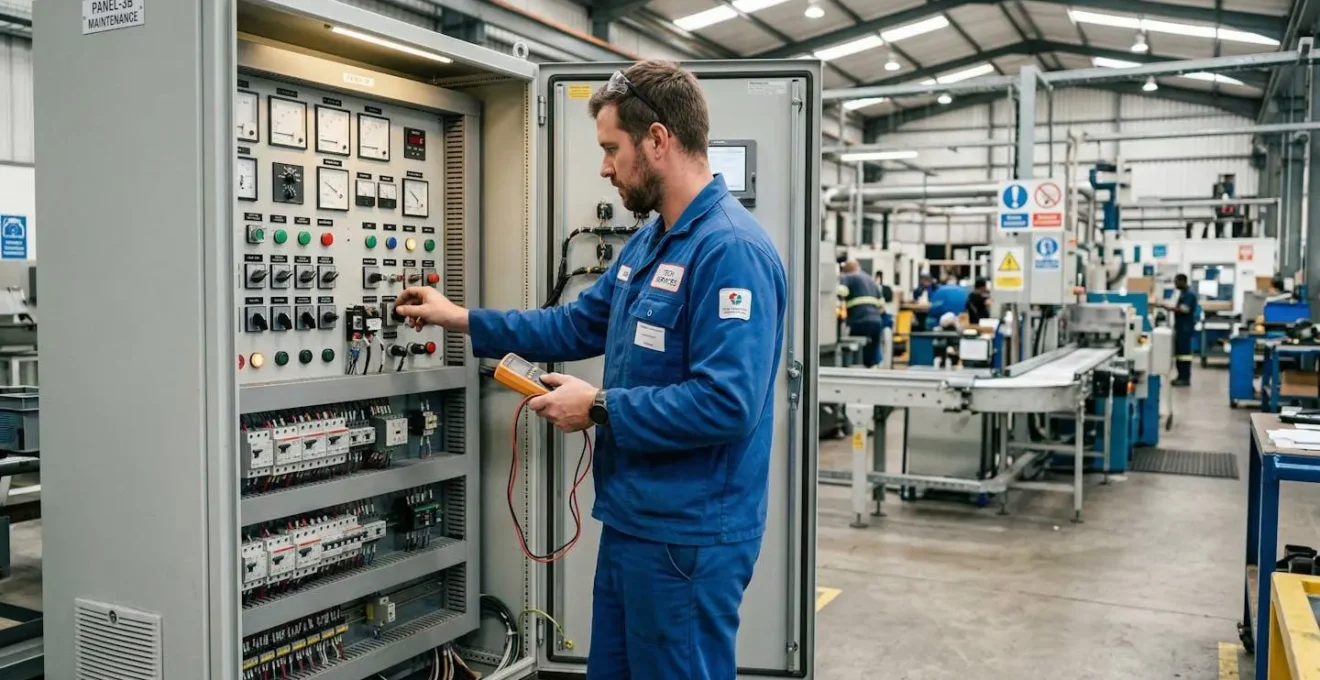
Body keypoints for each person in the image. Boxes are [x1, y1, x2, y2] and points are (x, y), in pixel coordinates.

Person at [393, 60, 787, 680]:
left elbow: (727, 403)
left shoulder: (729, 250)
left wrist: (599, 407)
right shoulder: (651, 241)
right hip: (634, 519)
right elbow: (574, 325)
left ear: (657, 140)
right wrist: (461, 319)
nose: (604, 167)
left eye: (611, 149)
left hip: (688, 535)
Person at [837, 259, 887, 367]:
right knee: (871, 355)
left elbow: (841, 292)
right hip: (876, 322)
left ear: (845, 270)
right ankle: (871, 368)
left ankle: (852, 368)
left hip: (859, 320)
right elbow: (882, 306)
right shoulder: (871, 280)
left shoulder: (847, 277)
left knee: (852, 348)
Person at [1166, 273, 1197, 386]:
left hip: (1185, 329)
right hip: (1181, 328)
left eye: (1176, 282)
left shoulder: (1189, 294)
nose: (1175, 284)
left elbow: (1184, 310)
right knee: (1180, 354)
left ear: (1183, 281)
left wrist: (1169, 308)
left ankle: (1184, 378)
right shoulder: (1184, 293)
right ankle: (1181, 376)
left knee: (1184, 354)